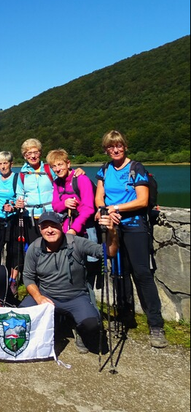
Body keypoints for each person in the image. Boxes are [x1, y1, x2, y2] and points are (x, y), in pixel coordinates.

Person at [94, 130, 168, 348]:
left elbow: (142, 200)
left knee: (142, 273)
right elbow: (100, 195)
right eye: (110, 147)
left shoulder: (136, 168)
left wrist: (114, 207)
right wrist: (103, 209)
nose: (115, 150)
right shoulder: (105, 169)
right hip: (113, 225)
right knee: (118, 273)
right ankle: (125, 317)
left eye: (118, 146)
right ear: (106, 149)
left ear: (125, 147)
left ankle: (156, 324)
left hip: (134, 226)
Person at [20, 211, 119, 354]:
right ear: (40, 229)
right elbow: (28, 277)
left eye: (53, 226)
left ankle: (78, 327)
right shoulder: (34, 248)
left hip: (76, 296)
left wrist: (112, 232)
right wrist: (38, 297)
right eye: (45, 227)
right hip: (47, 296)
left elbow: (108, 252)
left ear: (61, 226)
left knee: (92, 324)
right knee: (21, 315)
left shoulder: (76, 242)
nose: (49, 230)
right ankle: (57, 322)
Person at [47, 149, 99, 289]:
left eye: (60, 164)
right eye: (54, 166)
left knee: (86, 272)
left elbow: (88, 208)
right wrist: (64, 203)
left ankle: (88, 305)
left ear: (68, 163)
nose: (58, 169)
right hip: (67, 230)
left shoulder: (81, 179)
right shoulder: (57, 182)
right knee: (68, 270)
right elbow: (55, 206)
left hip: (83, 230)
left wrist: (74, 229)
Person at [14, 138, 56, 245]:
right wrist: (18, 203)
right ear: (25, 156)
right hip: (30, 217)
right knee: (35, 248)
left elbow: (62, 182)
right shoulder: (23, 174)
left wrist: (76, 172)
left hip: (49, 214)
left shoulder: (49, 169)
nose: (33, 156)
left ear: (40, 153)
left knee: (52, 246)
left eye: (35, 152)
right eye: (29, 153)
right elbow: (20, 194)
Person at [0, 151, 20, 296]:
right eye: (0, 164)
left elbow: (21, 198)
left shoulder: (16, 179)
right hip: (0, 220)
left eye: (5, 163)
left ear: (11, 164)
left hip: (14, 219)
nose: (3, 166)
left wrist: (13, 206)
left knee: (14, 252)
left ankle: (13, 280)